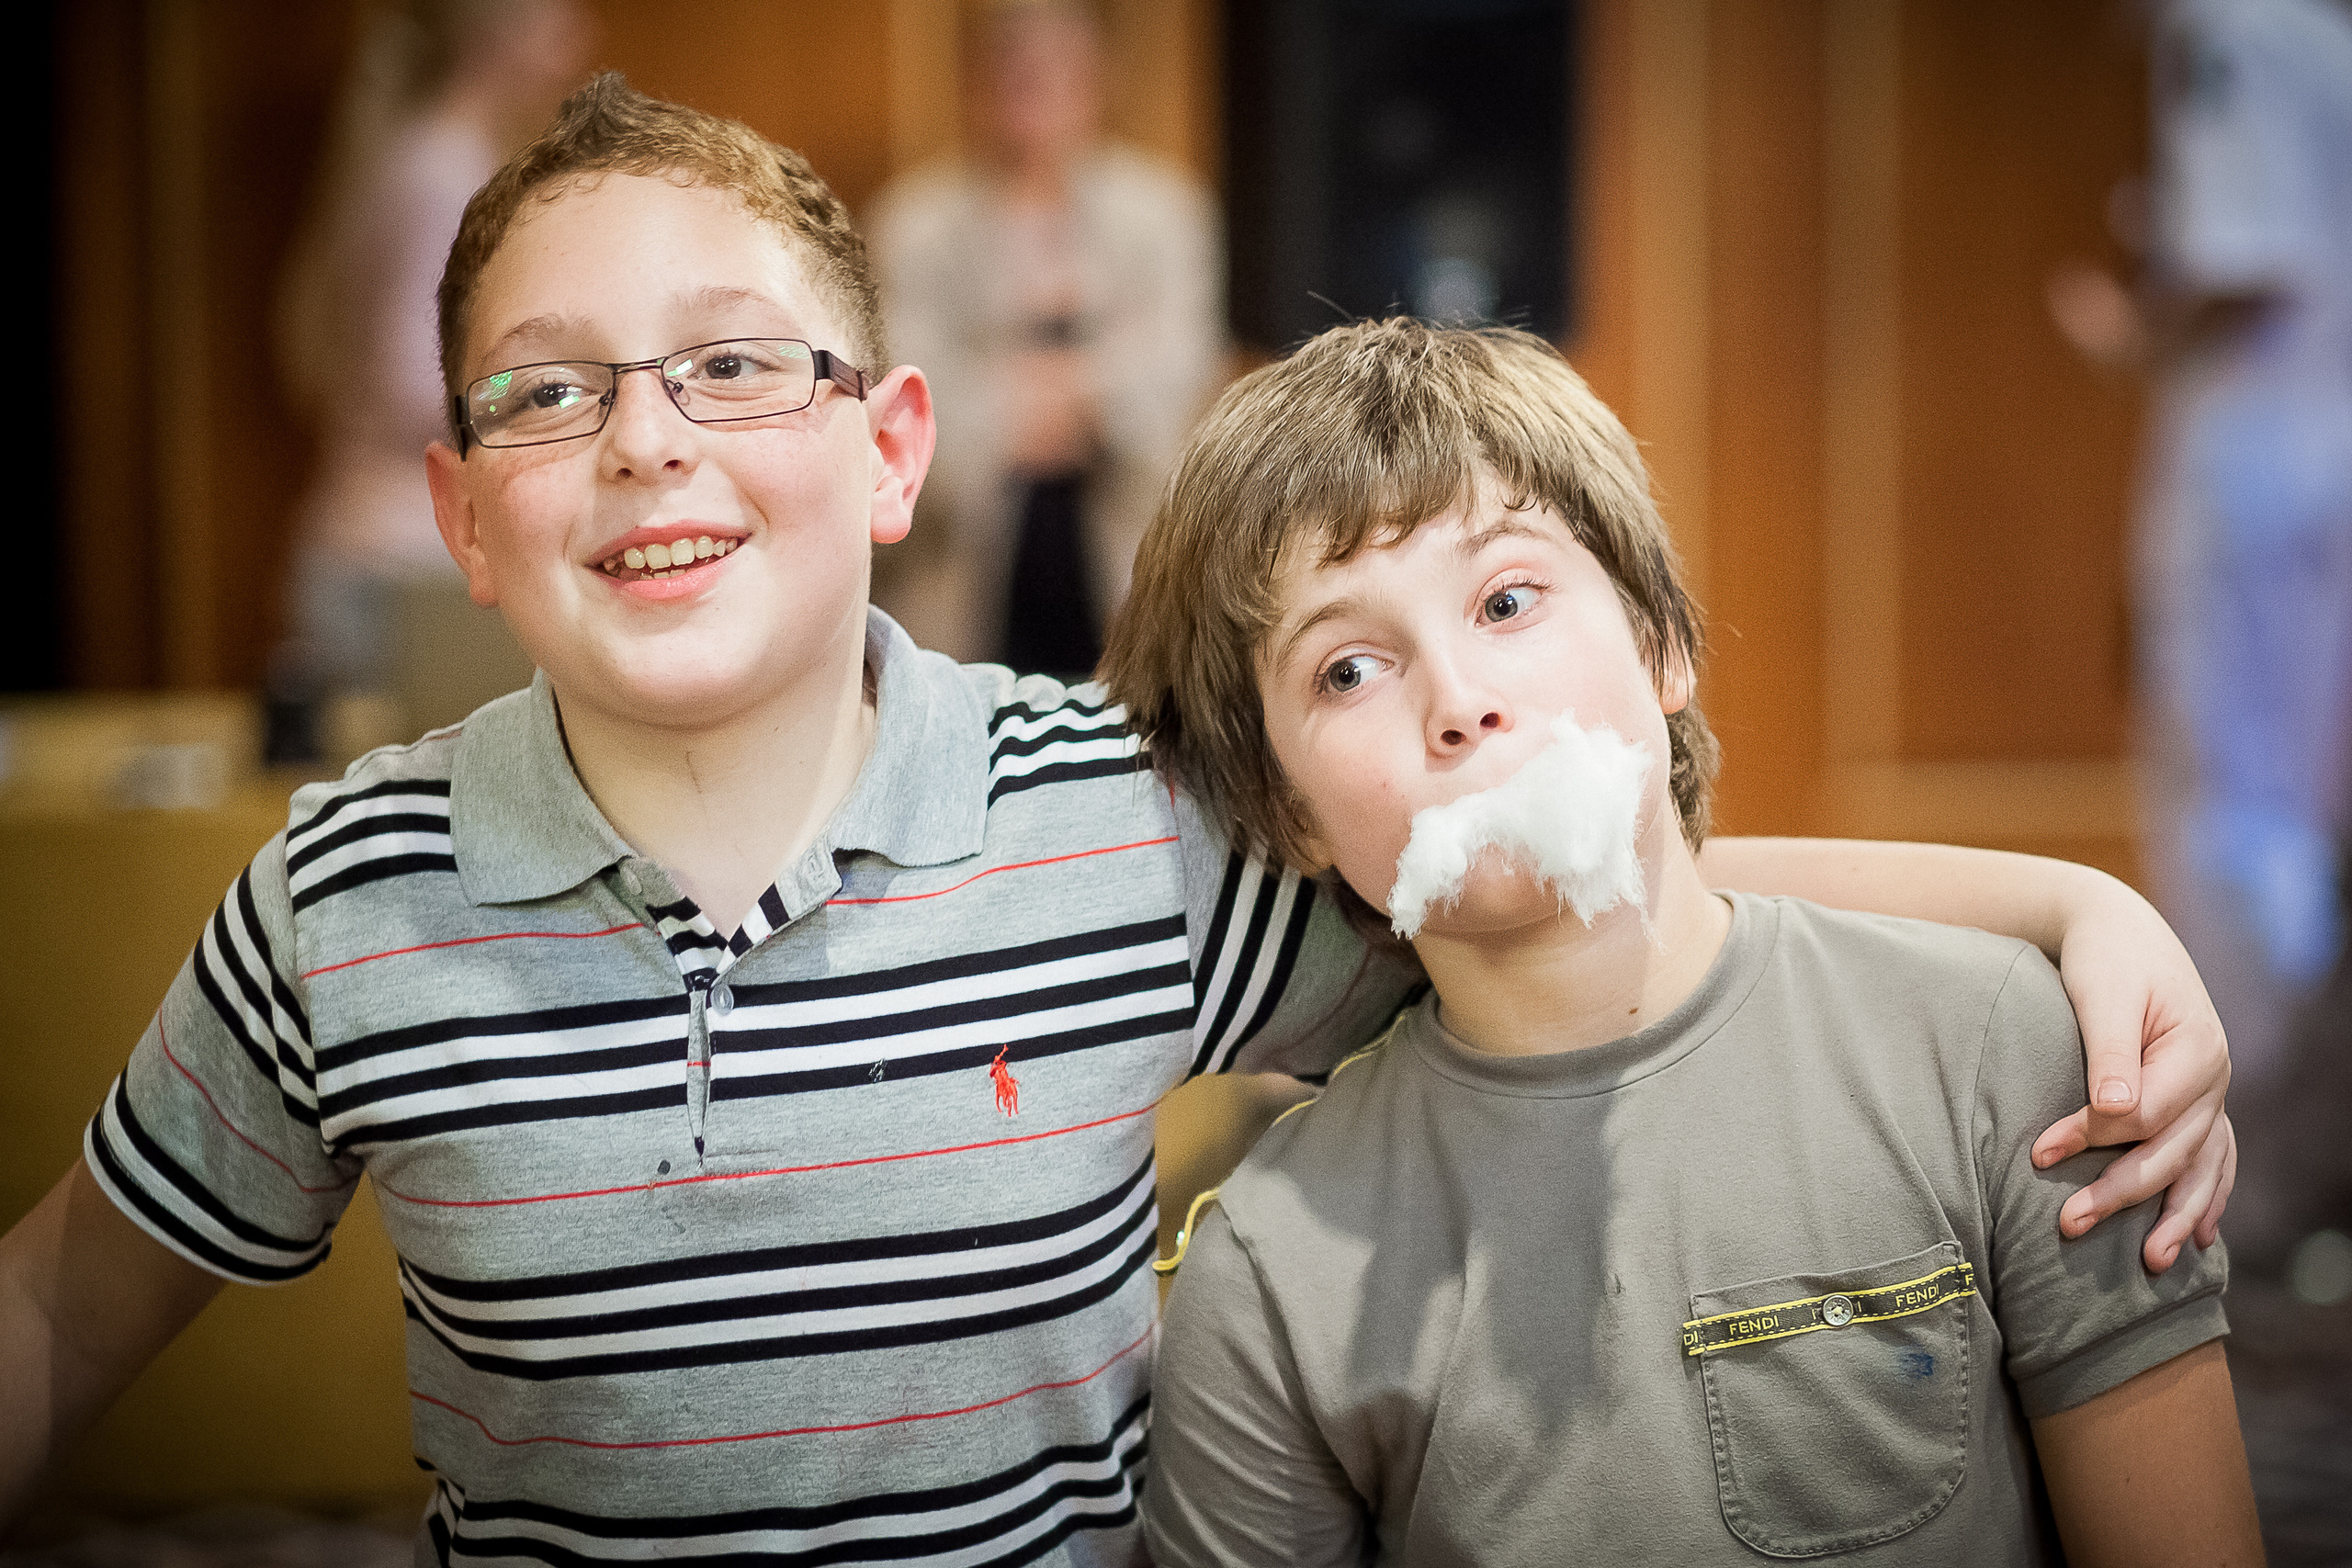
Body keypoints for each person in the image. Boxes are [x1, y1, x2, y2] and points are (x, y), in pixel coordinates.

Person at [0, 79, 2234, 1567]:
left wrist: (2064, 900)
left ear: (889, 451)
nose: (643, 440)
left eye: (728, 364)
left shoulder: (1112, 828)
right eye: (547, 388)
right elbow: (63, 1319)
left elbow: (1540, 862)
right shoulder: (343, 895)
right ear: (461, 510)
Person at [1110, 320, 2262, 1565]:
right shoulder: (1271, 1267)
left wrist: (2090, 901)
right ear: (1284, 809)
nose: (1458, 700)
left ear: (1663, 643)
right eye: (1347, 669)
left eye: (1507, 598)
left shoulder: (2010, 1059)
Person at [2047, 0, 2352, 1086]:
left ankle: (2243, 1126)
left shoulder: (2229, 33)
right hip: (2314, 459)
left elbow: (2251, 257)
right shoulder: (2317, 33)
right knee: (2297, 799)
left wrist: (2128, 332)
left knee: (2238, 803)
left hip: (2259, 465)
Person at [869, 0, 1221, 673]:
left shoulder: (1165, 213)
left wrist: (1040, 391)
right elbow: (904, 388)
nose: (1033, 83)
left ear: (1098, 76)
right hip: (958, 564)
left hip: (1123, 545)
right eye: (1013, 64)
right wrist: (1065, 392)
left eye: (1056, 64)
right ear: (975, 79)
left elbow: (1178, 367)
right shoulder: (914, 225)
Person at [274, 0, 590, 722]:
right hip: (398, 563)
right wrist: (556, 390)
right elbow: (410, 377)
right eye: (559, 17)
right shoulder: (439, 174)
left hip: (392, 554)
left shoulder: (437, 159)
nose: (581, 38)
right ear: (495, 37)